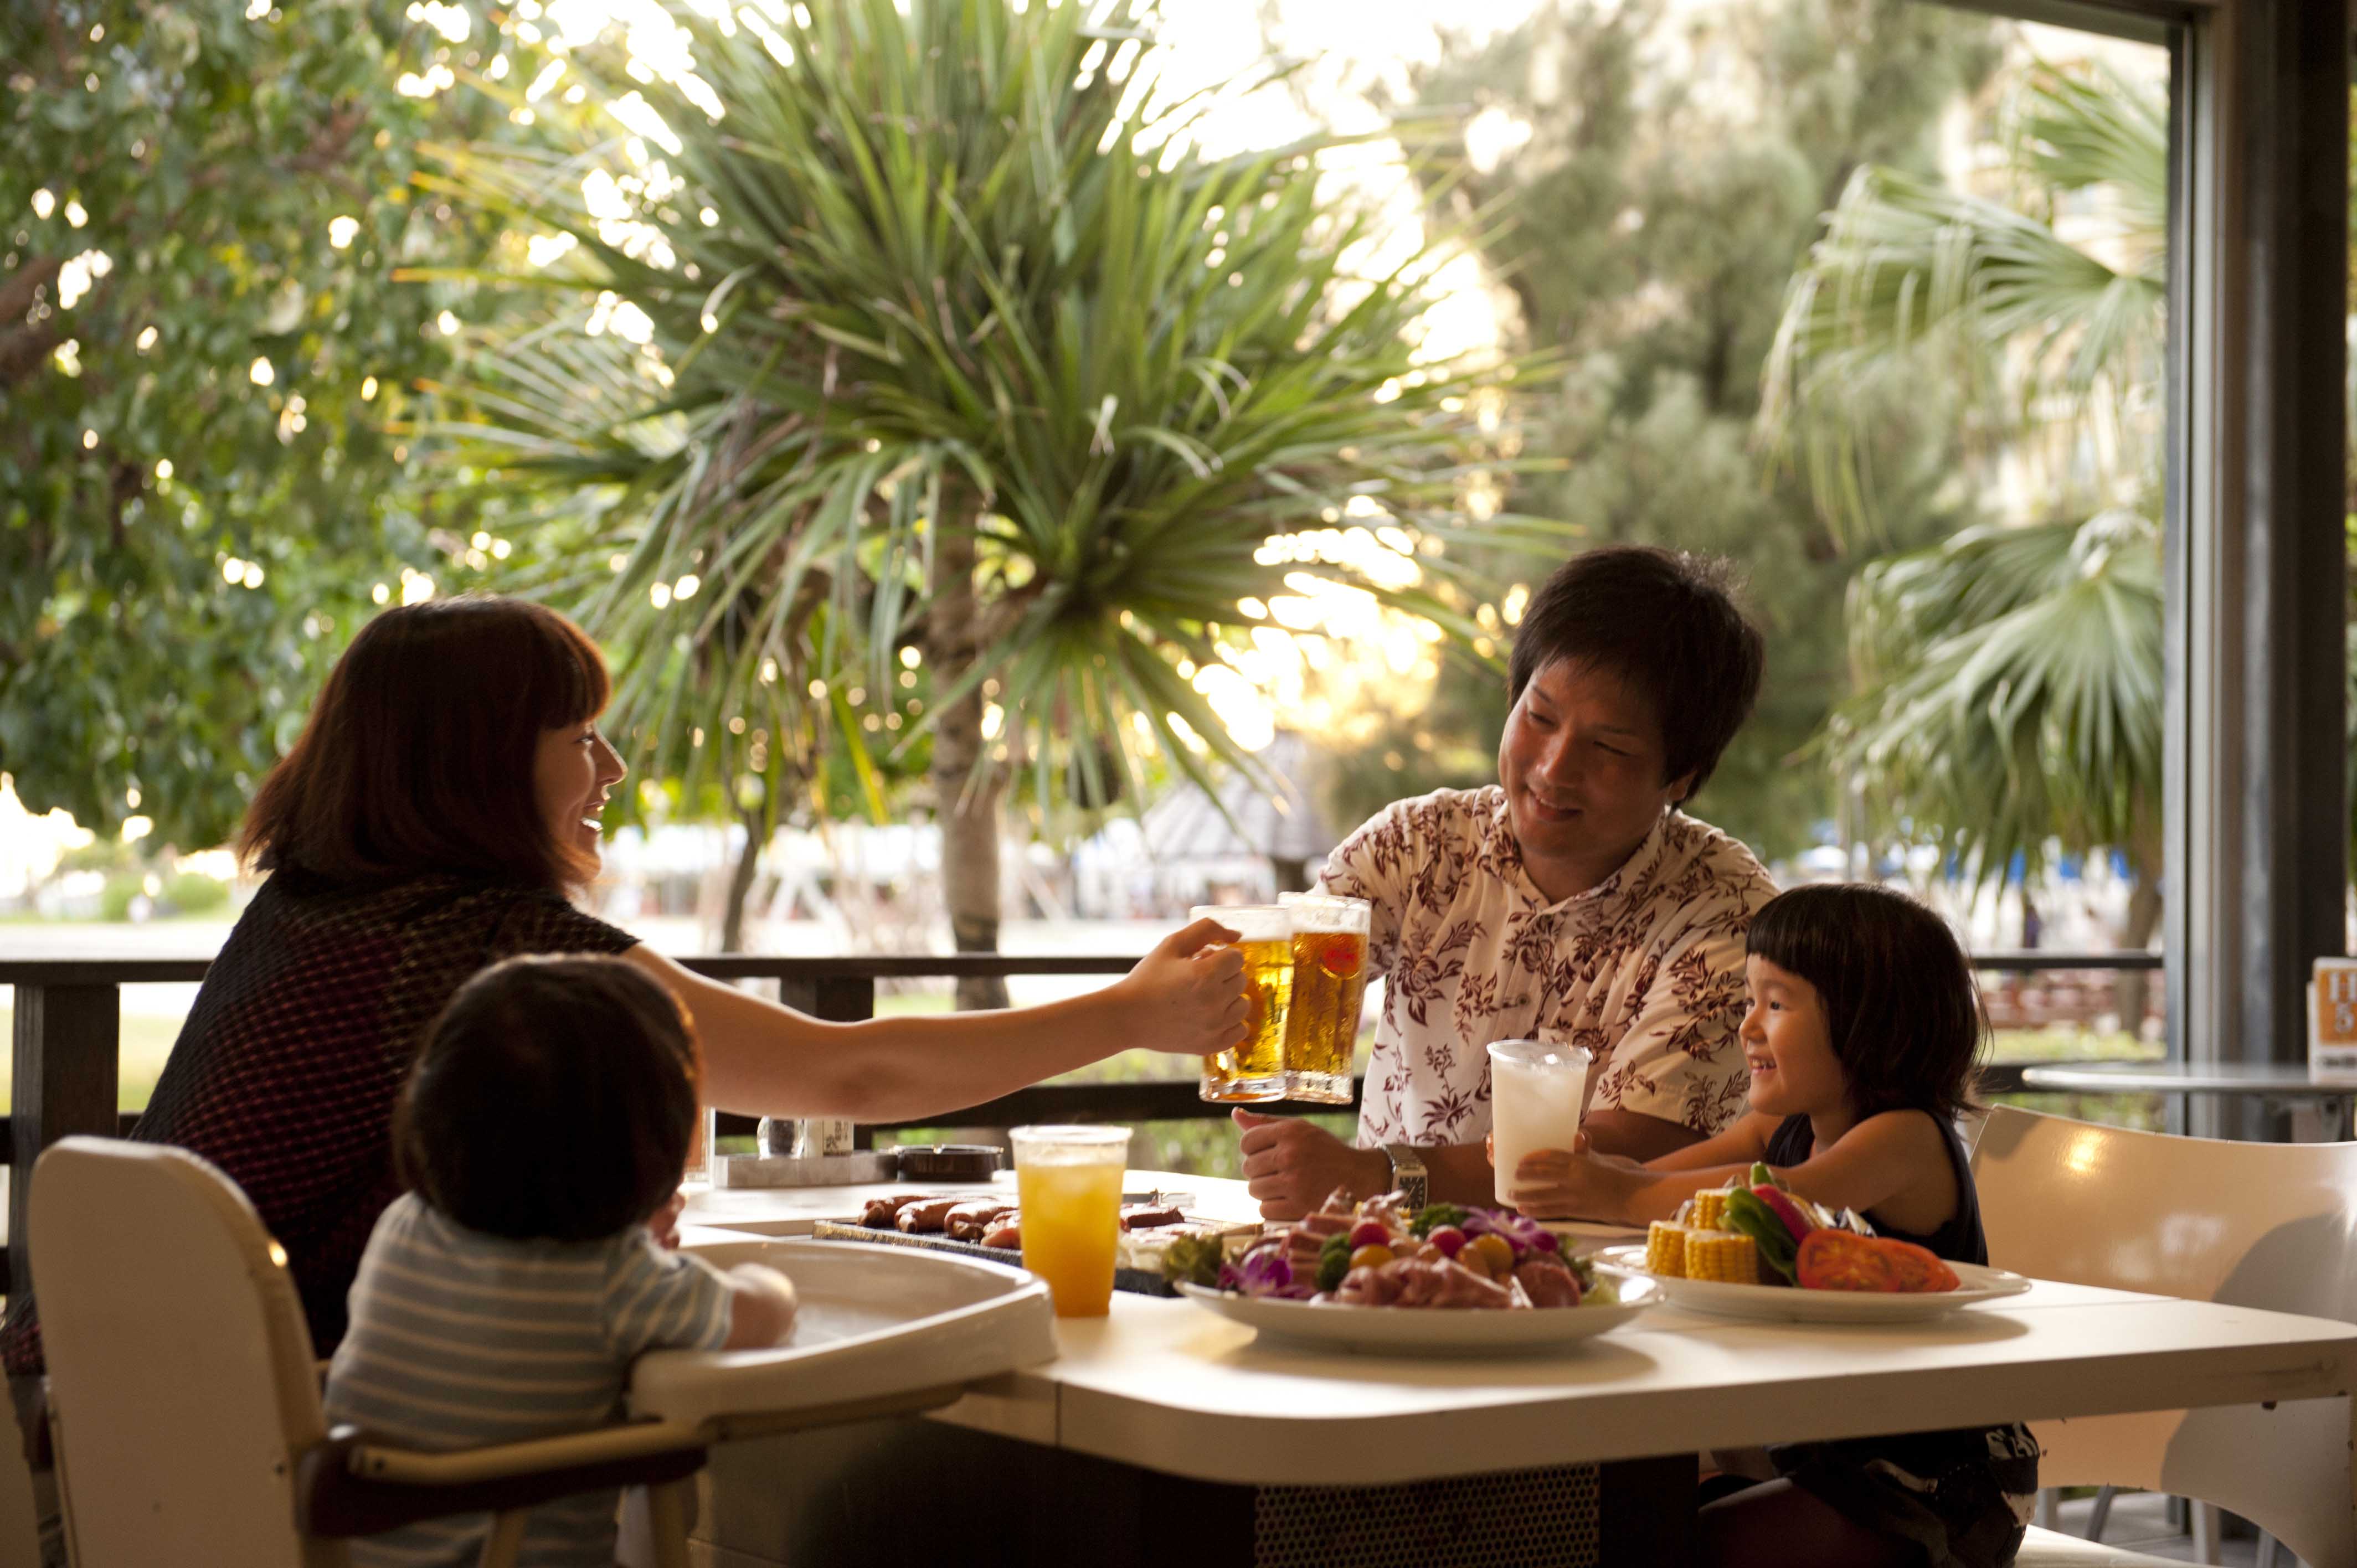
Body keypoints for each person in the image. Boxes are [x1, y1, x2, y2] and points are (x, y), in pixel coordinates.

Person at [2, 595, 1243, 1389]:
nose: (612, 767)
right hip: (306, 1472)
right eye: (579, 736)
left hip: (115, 1434)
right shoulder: (482, 945)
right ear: (486, 762)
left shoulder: (310, 908)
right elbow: (843, 1073)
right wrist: (1130, 1016)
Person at [1232, 545, 1777, 1219]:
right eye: (1539, 717)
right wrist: (1214, 1007)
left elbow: (1624, 1150)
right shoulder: (1417, 846)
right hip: (1387, 1261)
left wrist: (1378, 1176)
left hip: (1604, 1272)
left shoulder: (1727, 916)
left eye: (1607, 748)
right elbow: (1279, 1005)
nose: (1552, 769)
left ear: (1681, 777)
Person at [1507, 883, 2039, 1568]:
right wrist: (1580, 1172)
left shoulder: (1905, 1140)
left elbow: (1764, 1198)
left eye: (1776, 1004)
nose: (1747, 1027)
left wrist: (1614, 1191)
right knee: (1624, 1510)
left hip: (1930, 1485)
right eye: (1749, 1000)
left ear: (1869, 1023)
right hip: (1820, 1454)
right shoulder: (1780, 1127)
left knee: (1677, 1543)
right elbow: (1652, 1185)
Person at [325, 955, 794, 1566]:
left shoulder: (404, 1227)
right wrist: (766, 1277)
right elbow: (762, 1316)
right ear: (646, 1145)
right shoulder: (614, 1281)